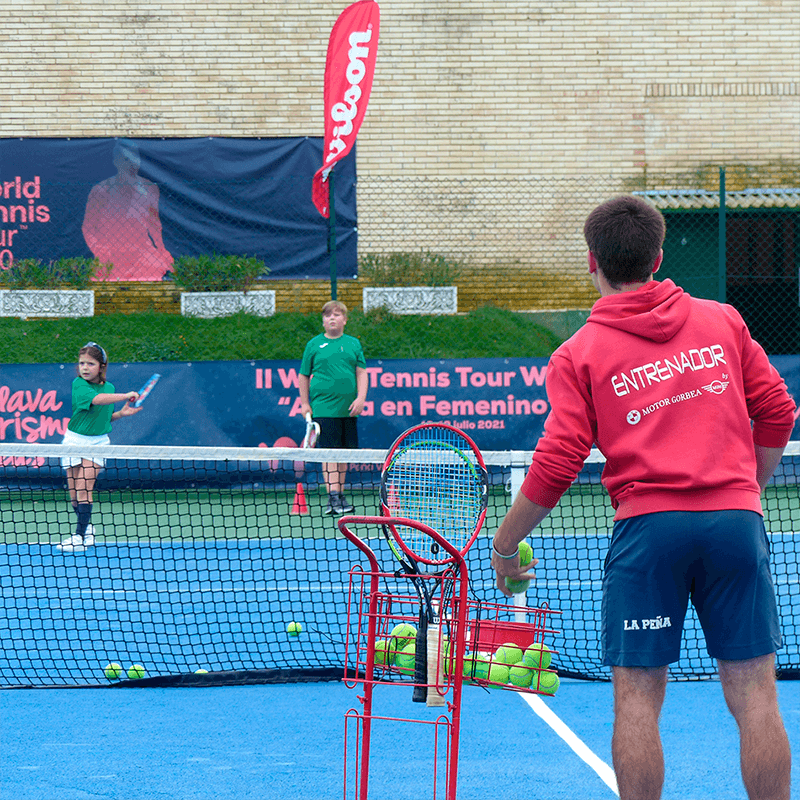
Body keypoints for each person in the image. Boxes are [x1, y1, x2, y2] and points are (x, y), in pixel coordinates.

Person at [491, 196, 795, 800]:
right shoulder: (723, 321)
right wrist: (746, 492)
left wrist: (505, 545)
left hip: (649, 531)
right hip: (735, 524)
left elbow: (558, 460)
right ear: (658, 257)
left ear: (591, 262)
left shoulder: (577, 353)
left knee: (636, 700)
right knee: (756, 693)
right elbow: (779, 411)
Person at [58, 342, 142, 553]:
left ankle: (78, 537)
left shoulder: (110, 388)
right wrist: (125, 396)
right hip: (73, 441)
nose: (84, 367)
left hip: (97, 444)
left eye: (90, 363)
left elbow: (102, 419)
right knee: (74, 495)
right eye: (81, 363)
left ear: (101, 366)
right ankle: (87, 529)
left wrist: (120, 414)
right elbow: (97, 400)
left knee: (84, 488)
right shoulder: (79, 384)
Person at [299, 300, 368, 515]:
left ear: (345, 320)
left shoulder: (353, 344)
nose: (332, 318)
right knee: (329, 454)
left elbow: (361, 372)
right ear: (323, 320)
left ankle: (339, 495)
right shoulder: (313, 345)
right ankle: (332, 498)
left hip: (348, 410)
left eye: (337, 315)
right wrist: (304, 403)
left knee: (344, 455)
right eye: (328, 315)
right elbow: (303, 375)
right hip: (323, 409)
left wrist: (361, 398)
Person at [82, 141, 173, 281]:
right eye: (125, 159)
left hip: (142, 252)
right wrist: (99, 250)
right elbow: (88, 227)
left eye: (134, 157)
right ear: (116, 161)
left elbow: (154, 225)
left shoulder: (150, 188)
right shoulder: (100, 190)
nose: (131, 163)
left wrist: (162, 251)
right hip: (110, 252)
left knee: (158, 268)